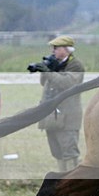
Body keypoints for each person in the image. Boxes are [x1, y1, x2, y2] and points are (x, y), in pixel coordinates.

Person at [34, 35, 85, 172]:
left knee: (69, 151)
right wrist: (45, 69)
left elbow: (67, 83)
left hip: (68, 117)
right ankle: (62, 178)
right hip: (51, 116)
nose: (53, 51)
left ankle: (72, 181)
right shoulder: (55, 63)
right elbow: (44, 83)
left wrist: (49, 72)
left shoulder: (75, 65)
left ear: (67, 49)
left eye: (56, 48)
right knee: (57, 151)